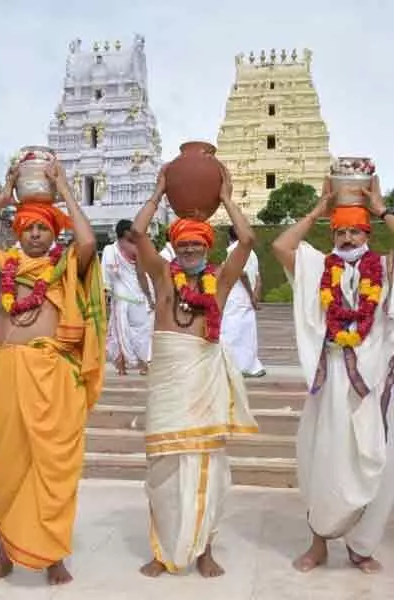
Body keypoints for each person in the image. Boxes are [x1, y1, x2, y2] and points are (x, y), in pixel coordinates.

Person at [0, 160, 104, 586]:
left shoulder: (67, 265)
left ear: (54, 233)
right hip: (10, 374)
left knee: (53, 470)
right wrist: (4, 197)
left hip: (54, 374)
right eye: (28, 228)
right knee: (8, 468)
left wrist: (65, 190)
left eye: (43, 228)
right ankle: (5, 555)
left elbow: (89, 239)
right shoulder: (4, 266)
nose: (35, 234)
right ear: (17, 232)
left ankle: (54, 556)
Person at [130, 164, 259, 578]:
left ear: (206, 247)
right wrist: (158, 194)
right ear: (174, 248)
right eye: (182, 244)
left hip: (203, 381)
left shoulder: (219, 282)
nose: (188, 250)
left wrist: (224, 199)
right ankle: (161, 549)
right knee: (162, 470)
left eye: (195, 244)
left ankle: (206, 550)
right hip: (169, 381)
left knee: (210, 468)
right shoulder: (164, 279)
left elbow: (249, 240)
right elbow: (136, 236)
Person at [271, 179, 394, 575]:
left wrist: (380, 208)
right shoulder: (318, 267)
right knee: (323, 460)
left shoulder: (384, 267)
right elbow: (280, 247)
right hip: (331, 380)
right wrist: (318, 209)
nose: (345, 237)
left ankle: (360, 547)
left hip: (372, 384)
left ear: (367, 233)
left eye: (354, 230)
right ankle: (318, 543)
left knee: (375, 462)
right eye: (339, 230)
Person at [101, 219, 154, 375]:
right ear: (125, 233)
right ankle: (143, 365)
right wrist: (149, 297)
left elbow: (106, 277)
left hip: (122, 297)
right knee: (142, 331)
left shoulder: (109, 250)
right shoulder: (136, 249)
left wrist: (106, 295)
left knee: (119, 331)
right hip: (134, 296)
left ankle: (122, 367)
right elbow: (142, 275)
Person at [221, 225, 265, 377]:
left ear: (230, 237)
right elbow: (258, 279)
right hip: (247, 298)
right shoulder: (252, 252)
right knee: (247, 333)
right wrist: (255, 296)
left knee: (231, 332)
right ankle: (251, 365)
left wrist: (250, 295)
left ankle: (234, 366)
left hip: (237, 295)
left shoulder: (234, 250)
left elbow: (242, 273)